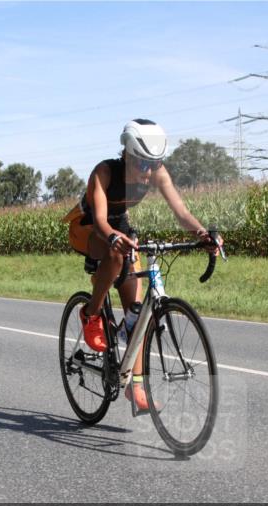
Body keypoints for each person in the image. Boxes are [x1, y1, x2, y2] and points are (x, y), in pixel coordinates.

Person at [63, 119, 221, 412]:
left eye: (155, 163)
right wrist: (113, 238)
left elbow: (181, 212)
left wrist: (201, 233)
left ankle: (135, 388)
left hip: (119, 226)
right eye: (143, 164)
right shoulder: (105, 172)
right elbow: (99, 221)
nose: (148, 172)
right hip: (88, 228)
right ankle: (90, 313)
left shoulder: (157, 173)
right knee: (115, 254)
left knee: (138, 312)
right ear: (128, 155)